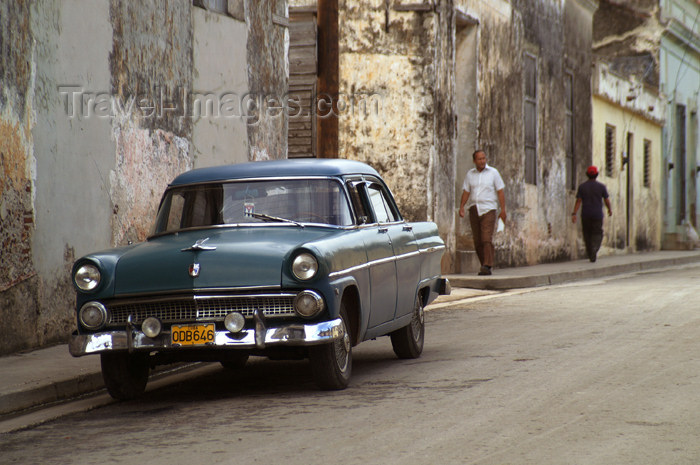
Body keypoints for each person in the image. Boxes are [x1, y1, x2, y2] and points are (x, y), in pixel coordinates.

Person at [458, 149, 506, 276]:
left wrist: (503, 210)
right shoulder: (470, 174)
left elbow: (500, 191)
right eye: (479, 159)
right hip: (474, 208)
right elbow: (466, 191)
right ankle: (484, 265)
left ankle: (487, 265)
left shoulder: (493, 173)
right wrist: (462, 207)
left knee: (486, 238)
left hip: (489, 209)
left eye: (484, 158)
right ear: (474, 161)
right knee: (477, 241)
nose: (482, 161)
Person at [571, 165, 612, 262]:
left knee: (587, 234)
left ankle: (591, 253)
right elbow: (606, 200)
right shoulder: (601, 187)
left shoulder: (582, 187)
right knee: (597, 233)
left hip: (585, 214)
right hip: (597, 214)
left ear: (587, 175)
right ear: (596, 175)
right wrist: (609, 209)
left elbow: (578, 201)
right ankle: (594, 249)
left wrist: (574, 213)